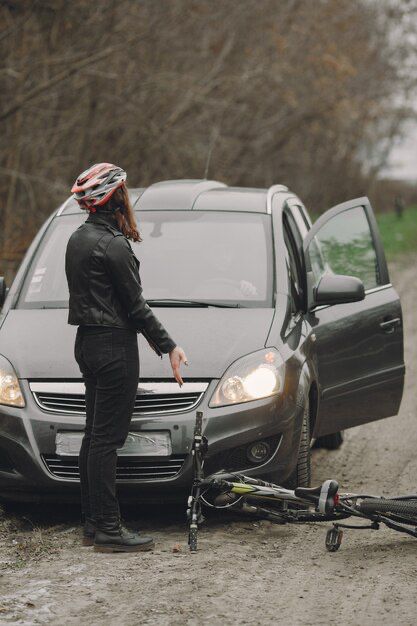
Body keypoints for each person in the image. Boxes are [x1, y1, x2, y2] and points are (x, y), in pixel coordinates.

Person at [65, 162, 188, 553]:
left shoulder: (77, 238)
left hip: (86, 343)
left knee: (93, 436)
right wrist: (169, 346)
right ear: (115, 196)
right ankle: (108, 530)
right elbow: (136, 307)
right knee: (107, 440)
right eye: (124, 191)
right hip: (115, 347)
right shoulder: (114, 245)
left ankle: (92, 523)